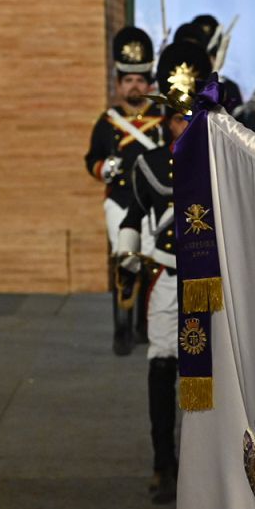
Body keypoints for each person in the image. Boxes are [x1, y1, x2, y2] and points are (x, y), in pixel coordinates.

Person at [115, 41, 213, 505]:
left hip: (214, 282)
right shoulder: (148, 166)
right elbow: (133, 216)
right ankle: (163, 463)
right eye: (177, 115)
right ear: (164, 117)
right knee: (162, 370)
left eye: (193, 113)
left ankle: (207, 465)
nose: (185, 123)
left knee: (209, 377)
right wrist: (127, 252)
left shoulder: (224, 163)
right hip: (167, 280)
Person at [84, 26, 166, 356]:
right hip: (119, 202)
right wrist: (105, 168)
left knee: (151, 262)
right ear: (119, 84)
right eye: (128, 80)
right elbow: (92, 159)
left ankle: (144, 326)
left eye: (140, 79)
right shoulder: (107, 122)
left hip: (152, 205)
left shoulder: (161, 121)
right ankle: (122, 328)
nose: (134, 85)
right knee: (125, 263)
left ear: (149, 84)